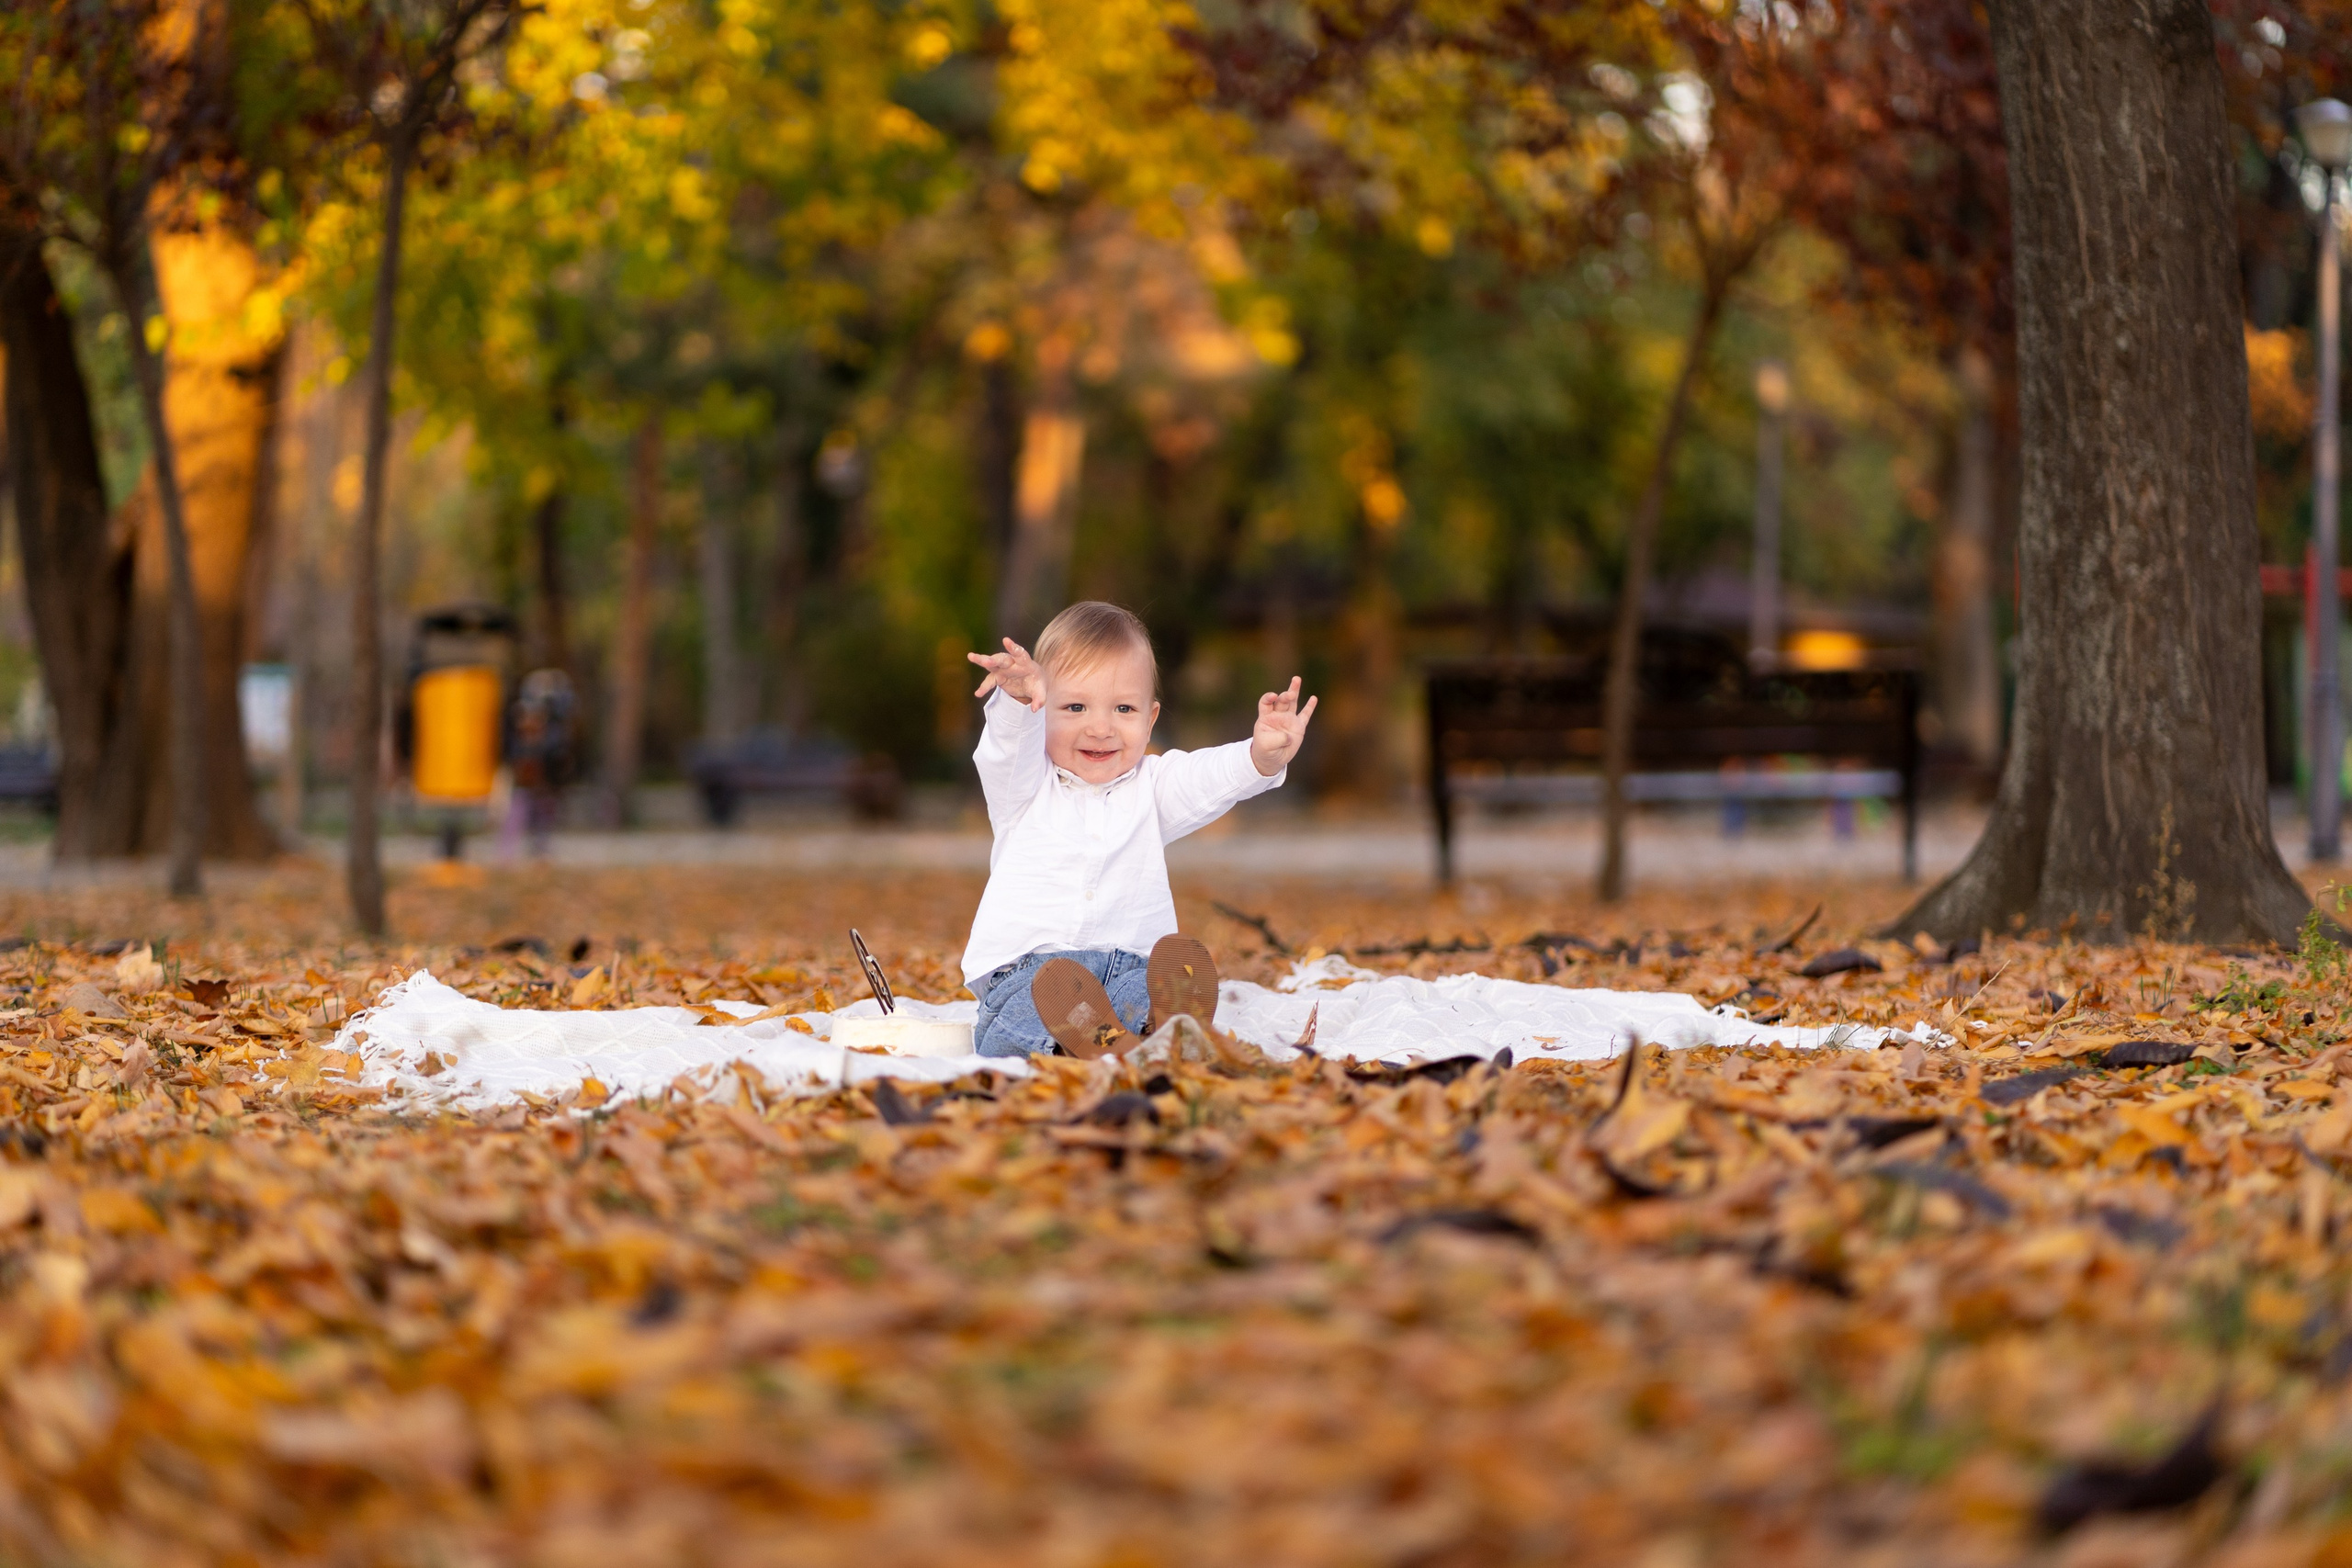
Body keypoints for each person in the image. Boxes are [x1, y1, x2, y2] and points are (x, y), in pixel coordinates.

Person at [962, 601, 1317, 1057]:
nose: (1101, 728)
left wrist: (1261, 755)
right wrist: (1015, 702)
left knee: (1156, 986)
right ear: (1041, 710)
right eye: (1075, 706)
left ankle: (1151, 1034)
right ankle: (1079, 1046)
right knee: (1019, 1016)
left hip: (1129, 969)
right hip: (1034, 974)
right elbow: (1006, 747)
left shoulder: (1152, 786)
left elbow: (1207, 776)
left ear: (1149, 720)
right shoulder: (1024, 786)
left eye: (1123, 709)